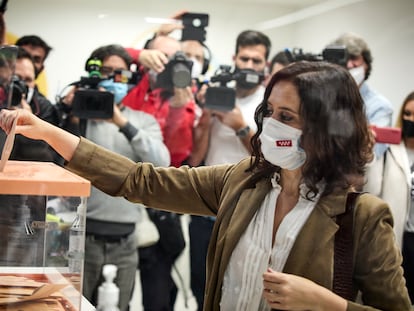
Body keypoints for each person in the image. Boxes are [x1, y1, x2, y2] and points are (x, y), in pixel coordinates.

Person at [1, 60, 411, 310]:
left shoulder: (363, 218)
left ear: (327, 130)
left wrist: (331, 306)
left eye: (288, 117)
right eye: (269, 111)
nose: (270, 125)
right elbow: (140, 179)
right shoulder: (243, 182)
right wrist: (50, 133)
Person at [55, 44, 171, 311]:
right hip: (82, 237)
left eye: (120, 73)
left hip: (126, 240)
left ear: (130, 79)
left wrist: (121, 123)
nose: (113, 79)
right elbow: (58, 159)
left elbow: (162, 162)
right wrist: (71, 113)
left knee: (120, 306)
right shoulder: (78, 116)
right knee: (73, 305)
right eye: (106, 71)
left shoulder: (143, 121)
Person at [366, 91, 414, 302]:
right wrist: (369, 150)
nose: (411, 120)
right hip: (395, 235)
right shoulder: (390, 149)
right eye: (407, 113)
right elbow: (372, 187)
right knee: (393, 295)